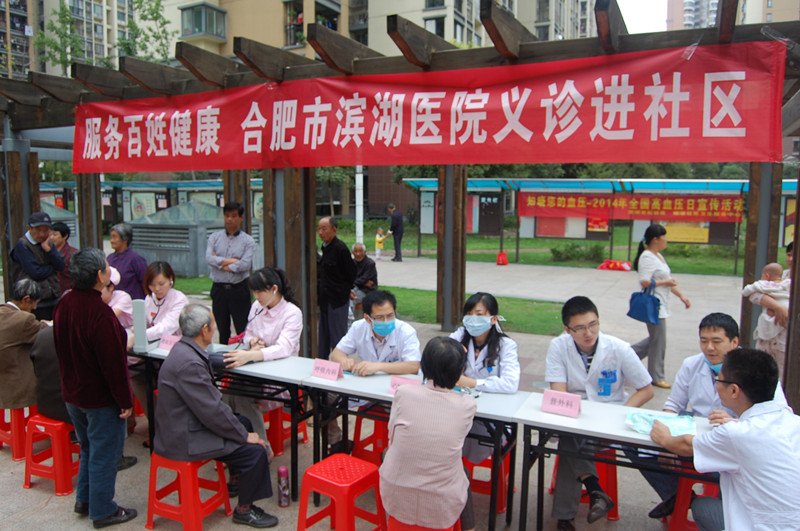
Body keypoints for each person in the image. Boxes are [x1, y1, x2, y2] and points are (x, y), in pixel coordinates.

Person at [641, 312, 789, 519]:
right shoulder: (692, 364)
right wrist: (667, 441)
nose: (709, 348)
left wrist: (735, 421)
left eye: (716, 341)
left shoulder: (756, 371)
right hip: (700, 439)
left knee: (713, 504)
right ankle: (678, 496)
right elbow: (673, 405)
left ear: (734, 342)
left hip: (728, 448)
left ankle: (718, 506)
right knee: (641, 447)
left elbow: (776, 414)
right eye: (704, 341)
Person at [155, 304, 278, 528]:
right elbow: (213, 411)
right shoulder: (190, 364)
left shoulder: (183, 349)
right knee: (255, 451)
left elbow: (208, 362)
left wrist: (239, 357)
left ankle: (236, 481)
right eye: (212, 325)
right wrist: (245, 436)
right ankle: (244, 510)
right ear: (205, 330)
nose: (214, 329)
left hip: (181, 425)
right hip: (184, 437)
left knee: (244, 421)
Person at [650, 348, 800, 531]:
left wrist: (665, 438)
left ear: (734, 390)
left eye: (718, 380)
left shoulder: (736, 434)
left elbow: (687, 445)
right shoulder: (793, 421)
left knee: (703, 507)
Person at [546, 296, 654, 531]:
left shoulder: (618, 348)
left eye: (593, 324)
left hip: (610, 418)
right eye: (579, 328)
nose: (588, 333)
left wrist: (619, 415)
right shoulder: (559, 346)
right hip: (575, 417)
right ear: (567, 329)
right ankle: (595, 491)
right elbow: (559, 391)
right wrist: (576, 414)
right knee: (570, 435)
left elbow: (646, 389)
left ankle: (567, 515)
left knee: (569, 443)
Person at [53, 247, 137, 527]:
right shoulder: (100, 314)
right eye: (106, 268)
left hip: (73, 393)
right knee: (104, 453)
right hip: (98, 398)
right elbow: (114, 366)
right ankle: (102, 510)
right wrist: (125, 400)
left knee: (89, 447)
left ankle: (85, 499)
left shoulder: (65, 303)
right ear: (100, 275)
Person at [380, 337, 477, 531]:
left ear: (424, 366)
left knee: (387, 453)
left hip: (397, 491)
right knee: (461, 472)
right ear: (460, 372)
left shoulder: (404, 393)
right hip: (442, 501)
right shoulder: (467, 405)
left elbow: (392, 437)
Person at [329, 289, 422, 446]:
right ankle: (337, 442)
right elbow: (336, 353)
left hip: (396, 392)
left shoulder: (406, 332)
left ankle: (394, 451)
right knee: (324, 399)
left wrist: (377, 367)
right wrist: (345, 361)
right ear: (367, 318)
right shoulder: (358, 327)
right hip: (367, 388)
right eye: (379, 317)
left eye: (390, 316)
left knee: (401, 417)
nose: (386, 321)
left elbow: (413, 365)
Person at [222, 267, 303, 436]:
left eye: (260, 292)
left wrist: (251, 355)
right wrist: (252, 341)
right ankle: (241, 440)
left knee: (240, 396)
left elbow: (284, 348)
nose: (257, 296)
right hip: (254, 368)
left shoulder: (292, 313)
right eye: (254, 292)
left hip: (279, 373)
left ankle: (258, 444)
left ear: (274, 289)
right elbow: (247, 334)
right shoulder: (257, 307)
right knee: (228, 394)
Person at [449, 292, 520, 464]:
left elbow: (511, 383)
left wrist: (473, 383)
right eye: (469, 314)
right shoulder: (459, 336)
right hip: (459, 409)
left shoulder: (506, 345)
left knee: (460, 435)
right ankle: (453, 468)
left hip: (491, 415)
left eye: (479, 314)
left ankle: (459, 468)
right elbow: (438, 361)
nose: (473, 319)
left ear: (493, 319)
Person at [631, 223, 691, 389]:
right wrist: (666, 282)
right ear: (655, 239)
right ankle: (656, 376)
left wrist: (681, 296)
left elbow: (667, 281)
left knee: (656, 339)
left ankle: (626, 355)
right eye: (664, 237)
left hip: (662, 303)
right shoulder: (647, 257)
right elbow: (644, 281)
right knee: (659, 340)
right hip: (653, 304)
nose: (666, 240)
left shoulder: (658, 256)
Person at [205, 201, 256, 345]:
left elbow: (245, 265)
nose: (230, 219)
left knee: (242, 330)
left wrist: (219, 263)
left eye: (234, 216)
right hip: (219, 289)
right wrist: (232, 262)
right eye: (227, 216)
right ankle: (223, 356)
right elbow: (209, 258)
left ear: (241, 217)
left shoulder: (248, 241)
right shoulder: (214, 237)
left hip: (239, 289)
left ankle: (243, 354)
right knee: (222, 330)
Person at [0, 279, 49, 412]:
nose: (35, 308)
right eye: (34, 303)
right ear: (26, 300)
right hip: (15, 384)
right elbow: (45, 333)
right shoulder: (24, 320)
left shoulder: (3, 311)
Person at [8, 211, 65, 320]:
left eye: (46, 230)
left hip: (53, 296)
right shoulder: (23, 245)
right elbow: (35, 272)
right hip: (33, 300)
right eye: (38, 230)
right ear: (29, 228)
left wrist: (49, 251)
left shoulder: (48, 243)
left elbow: (61, 266)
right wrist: (52, 267)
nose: (42, 234)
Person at [317, 216, 356, 359]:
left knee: (338, 338)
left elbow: (351, 273)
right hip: (325, 300)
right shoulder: (325, 247)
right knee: (323, 336)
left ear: (334, 230)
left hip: (337, 301)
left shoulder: (340, 248)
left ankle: (341, 365)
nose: (320, 232)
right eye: (319, 229)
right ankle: (321, 365)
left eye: (324, 229)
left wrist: (345, 290)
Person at [742, 262, 790, 375]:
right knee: (762, 368)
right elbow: (754, 296)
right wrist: (777, 307)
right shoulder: (787, 280)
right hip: (770, 339)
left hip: (784, 338)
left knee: (782, 371)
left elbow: (748, 291)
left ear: (767, 276)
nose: (791, 258)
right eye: (789, 254)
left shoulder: (764, 284)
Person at [143, 261, 188, 342]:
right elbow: (144, 321)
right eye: (152, 284)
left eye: (161, 284)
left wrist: (141, 335)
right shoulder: (149, 298)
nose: (157, 289)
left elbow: (167, 327)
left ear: (170, 280)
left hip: (176, 343)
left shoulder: (179, 300)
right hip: (152, 341)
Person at [107, 222, 147, 300]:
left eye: (114, 237)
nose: (111, 240)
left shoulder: (135, 259)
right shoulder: (110, 258)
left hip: (132, 302)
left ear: (125, 240)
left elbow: (146, 282)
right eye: (111, 237)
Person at [350, 242, 378, 315]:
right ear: (352, 252)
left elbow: (363, 279)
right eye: (356, 251)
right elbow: (347, 278)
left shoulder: (370, 264)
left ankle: (349, 319)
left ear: (365, 252)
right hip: (354, 288)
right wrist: (363, 283)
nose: (358, 254)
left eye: (360, 251)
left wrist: (359, 282)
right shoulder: (351, 263)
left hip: (367, 290)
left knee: (352, 298)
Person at [51, 221, 78, 293]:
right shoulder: (47, 251)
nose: (51, 237)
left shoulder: (73, 254)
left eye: (55, 235)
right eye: (50, 235)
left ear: (65, 236)